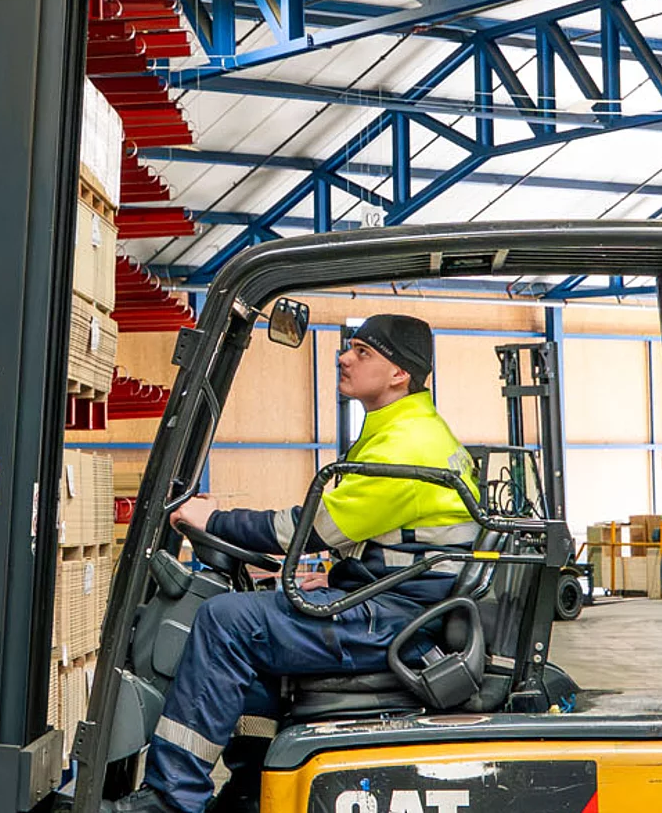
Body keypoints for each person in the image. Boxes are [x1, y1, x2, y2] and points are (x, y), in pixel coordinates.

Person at [118, 313, 481, 813]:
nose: (344, 357)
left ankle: (171, 797)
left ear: (399, 373)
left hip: (395, 621)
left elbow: (307, 531)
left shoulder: (408, 444)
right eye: (350, 347)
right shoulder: (406, 430)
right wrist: (334, 580)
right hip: (394, 604)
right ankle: (251, 790)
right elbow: (384, 539)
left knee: (224, 621)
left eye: (362, 352)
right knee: (256, 634)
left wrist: (213, 519)